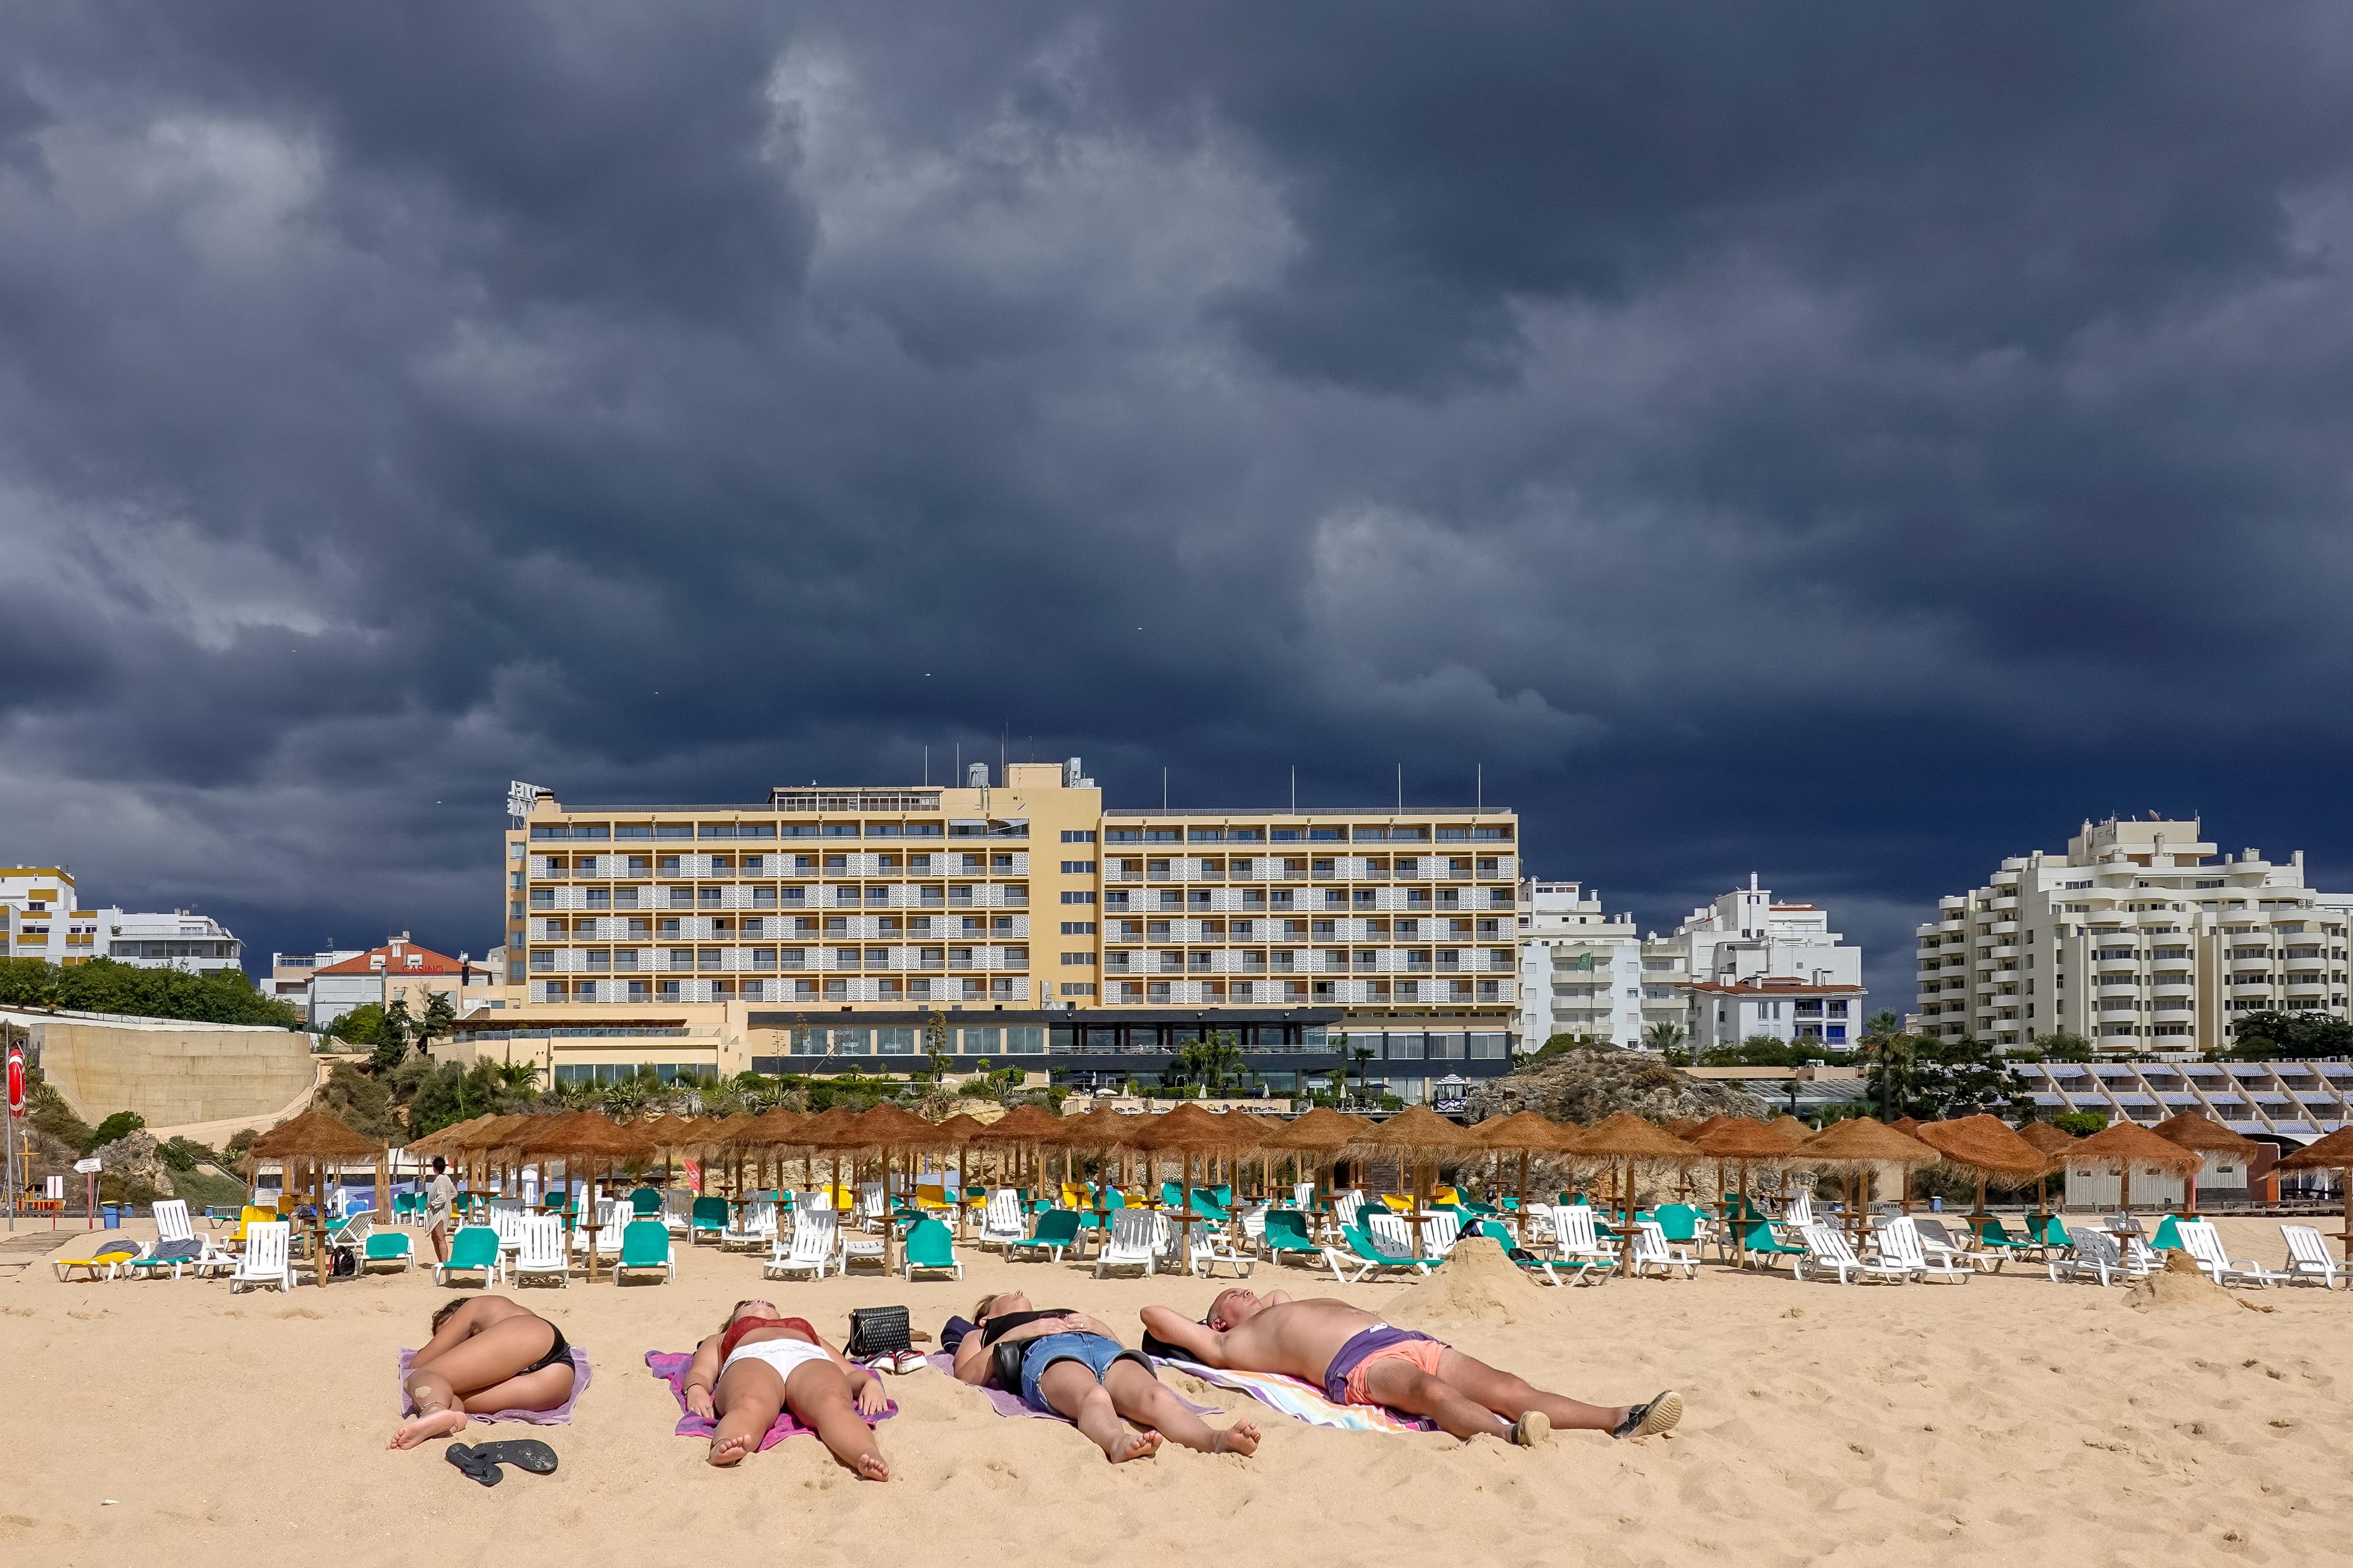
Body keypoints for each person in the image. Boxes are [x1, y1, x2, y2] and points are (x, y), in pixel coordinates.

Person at [1139, 1289, 1679, 1446]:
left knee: (1510, 1386)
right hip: (1358, 1364)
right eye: (1227, 1298)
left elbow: (1278, 1295)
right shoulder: (1231, 1344)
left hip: (1403, 1338)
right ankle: (1508, 1434)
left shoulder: (1277, 1308)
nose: (1241, 1290)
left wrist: (1261, 1302)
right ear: (1217, 1322)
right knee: (1429, 1393)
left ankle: (1619, 1418)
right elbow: (1153, 1316)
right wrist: (1209, 1326)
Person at [954, 1290, 1258, 1463]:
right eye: (1008, 1295)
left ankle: (1215, 1439)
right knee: (1094, 1396)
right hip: (1046, 1351)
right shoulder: (984, 1332)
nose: (1020, 1293)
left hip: (1101, 1346)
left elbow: (1120, 1346)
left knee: (1157, 1395)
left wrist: (1100, 1326)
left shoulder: (1054, 1312)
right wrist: (1021, 1332)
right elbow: (965, 1374)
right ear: (986, 1317)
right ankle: (1117, 1443)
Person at [682, 1299, 891, 1477]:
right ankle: (726, 1443)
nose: (760, 1301)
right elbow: (702, 1370)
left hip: (808, 1357)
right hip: (752, 1356)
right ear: (733, 1320)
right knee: (749, 1401)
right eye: (749, 1304)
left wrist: (868, 1383)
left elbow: (847, 1371)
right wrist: (696, 1387)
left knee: (832, 1400)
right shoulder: (722, 1337)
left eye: (769, 1304)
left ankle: (866, 1453)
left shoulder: (804, 1331)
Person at [391, 1295, 577, 1449]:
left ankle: (433, 1410)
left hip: (532, 1335)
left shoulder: (475, 1306)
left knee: (419, 1377)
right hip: (557, 1381)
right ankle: (447, 1420)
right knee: (447, 1395)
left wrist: (437, 1353)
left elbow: (418, 1363)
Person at [424, 1156, 458, 1265]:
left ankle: (444, 1263)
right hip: (441, 1212)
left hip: (440, 1213)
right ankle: (441, 1263)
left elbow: (442, 1196)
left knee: (440, 1238)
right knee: (435, 1237)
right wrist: (447, 1200)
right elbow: (454, 1193)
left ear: (434, 1168)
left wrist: (432, 1204)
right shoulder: (446, 1178)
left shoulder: (440, 1179)